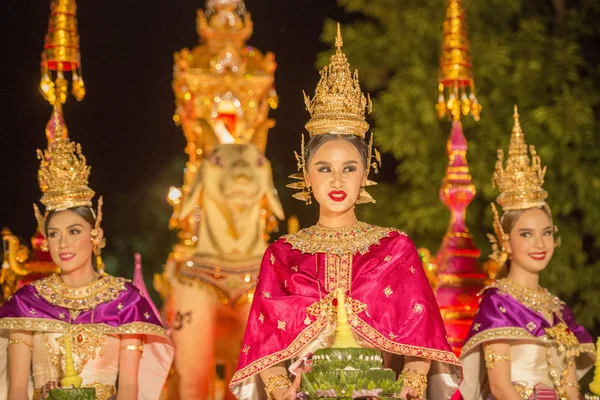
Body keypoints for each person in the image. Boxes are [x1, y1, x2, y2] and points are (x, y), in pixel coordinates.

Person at [229, 24, 462, 400]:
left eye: (349, 167)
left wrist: (412, 385)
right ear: (307, 175)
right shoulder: (283, 256)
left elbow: (424, 338)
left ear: (365, 173)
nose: (337, 178)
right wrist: (279, 390)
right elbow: (265, 343)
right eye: (324, 168)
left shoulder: (394, 248)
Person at [0, 104, 174, 400]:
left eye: (74, 231)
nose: (63, 243)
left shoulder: (125, 301)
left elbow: (129, 388)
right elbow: (17, 389)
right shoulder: (28, 302)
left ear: (96, 237)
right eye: (53, 234)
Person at [459, 106, 595, 400]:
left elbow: (571, 388)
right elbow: (500, 388)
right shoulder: (498, 303)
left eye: (546, 233)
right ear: (505, 242)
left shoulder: (558, 310)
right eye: (526, 234)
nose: (539, 244)